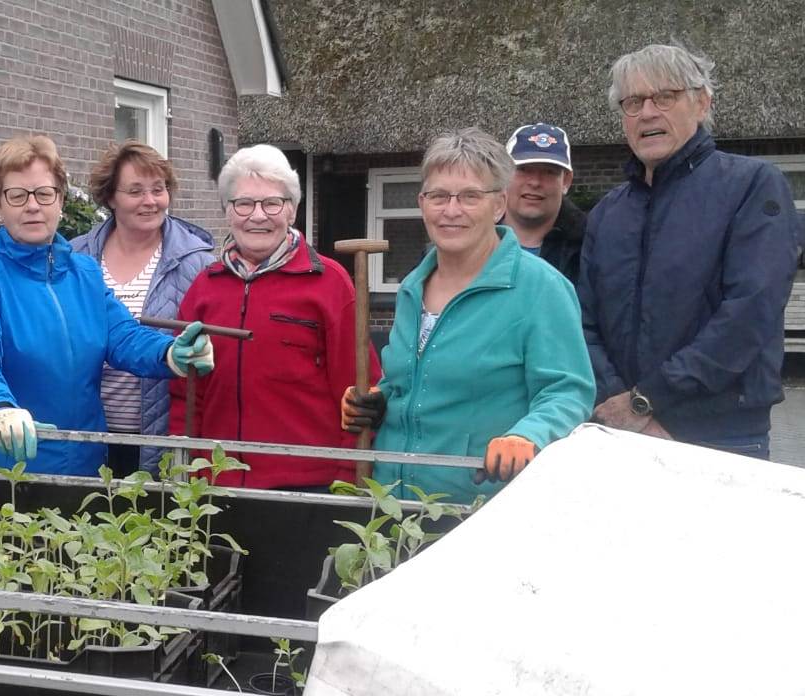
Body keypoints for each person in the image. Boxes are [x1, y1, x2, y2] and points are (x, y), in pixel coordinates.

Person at [341, 128, 594, 504]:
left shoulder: (540, 288)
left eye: (470, 196)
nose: (451, 210)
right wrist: (381, 400)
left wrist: (529, 435)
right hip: (393, 505)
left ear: (498, 204)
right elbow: (413, 384)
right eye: (438, 196)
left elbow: (567, 392)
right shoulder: (413, 287)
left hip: (477, 509)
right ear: (422, 202)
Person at [0, 134, 214, 476]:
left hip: (85, 464)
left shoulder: (84, 272)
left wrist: (170, 352)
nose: (32, 206)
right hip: (9, 464)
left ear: (61, 199)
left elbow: (123, 336)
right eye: (17, 195)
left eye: (44, 193)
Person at [579, 44, 802, 457]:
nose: (647, 112)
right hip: (620, 431)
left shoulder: (752, 187)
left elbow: (750, 312)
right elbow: (584, 322)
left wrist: (646, 400)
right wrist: (621, 404)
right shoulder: (607, 213)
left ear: (702, 103)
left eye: (665, 97)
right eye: (633, 102)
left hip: (722, 435)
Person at [170, 144, 376, 490]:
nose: (258, 216)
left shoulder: (328, 282)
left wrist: (346, 480)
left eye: (272, 203)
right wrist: (187, 471)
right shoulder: (205, 286)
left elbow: (358, 392)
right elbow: (184, 392)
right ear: (227, 212)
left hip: (308, 485)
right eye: (244, 204)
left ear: (292, 210)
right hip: (216, 481)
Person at [70, 141, 215, 476]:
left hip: (162, 435)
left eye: (158, 189)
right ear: (110, 197)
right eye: (135, 191)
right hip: (89, 433)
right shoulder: (75, 259)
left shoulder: (198, 264)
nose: (150, 201)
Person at [502, 123, 586, 282]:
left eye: (549, 172)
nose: (535, 182)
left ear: (566, 181)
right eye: (524, 169)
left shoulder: (590, 248)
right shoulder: (471, 237)